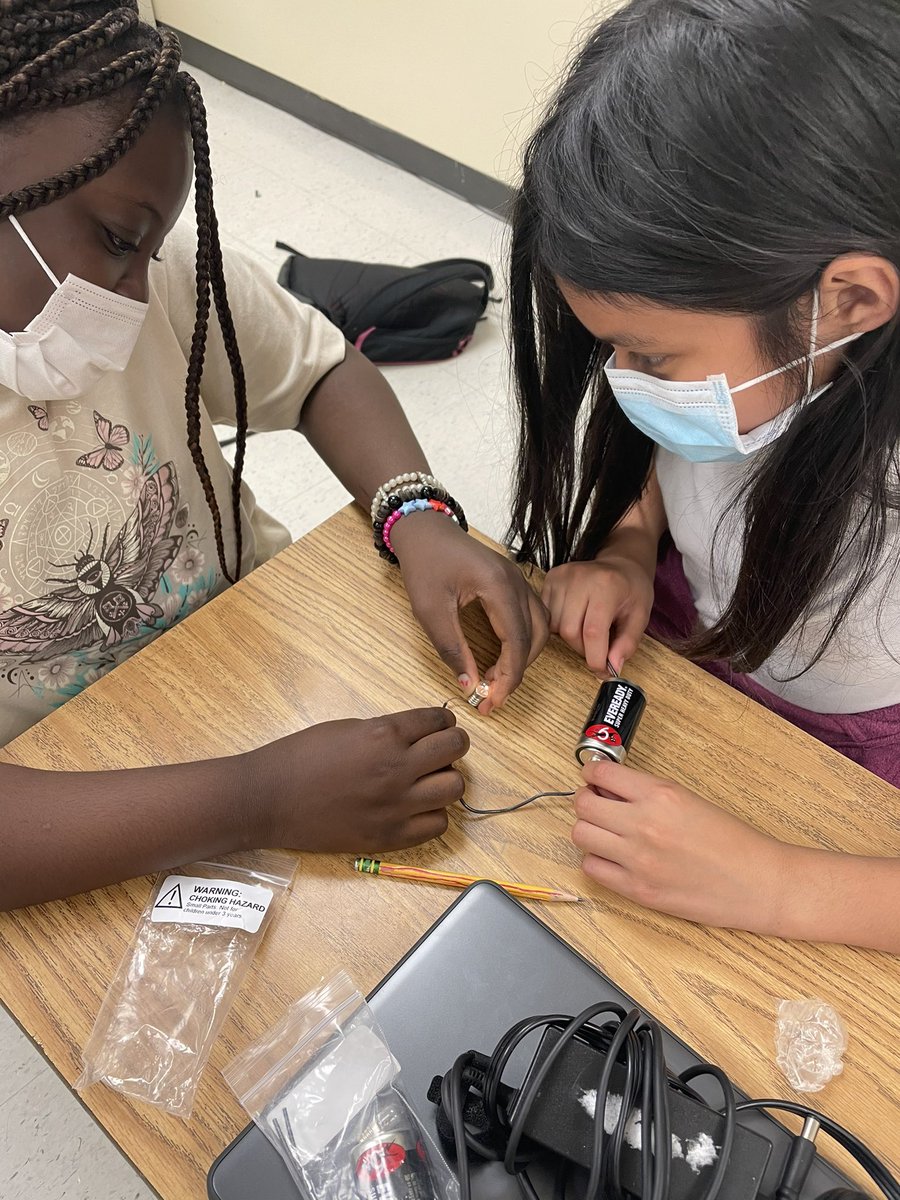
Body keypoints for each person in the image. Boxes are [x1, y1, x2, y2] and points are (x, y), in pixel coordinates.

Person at [0, 0, 548, 910]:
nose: (135, 293)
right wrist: (255, 799)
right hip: (71, 792)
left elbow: (324, 371)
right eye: (115, 240)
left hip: (259, 657)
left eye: (151, 248)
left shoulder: (157, 277)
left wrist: (415, 515)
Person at [508, 0, 900, 950]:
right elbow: (672, 445)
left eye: (650, 359)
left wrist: (778, 887)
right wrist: (631, 546)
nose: (622, 386)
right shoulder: (756, 354)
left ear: (846, 299)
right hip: (701, 648)